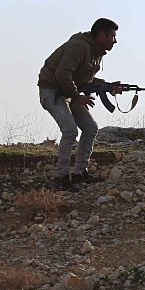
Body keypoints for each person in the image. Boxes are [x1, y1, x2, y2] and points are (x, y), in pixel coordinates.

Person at [37, 18, 121, 191]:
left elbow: (84, 78)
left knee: (90, 128)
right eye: (112, 36)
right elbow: (62, 73)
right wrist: (76, 97)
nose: (115, 41)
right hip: (52, 91)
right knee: (70, 131)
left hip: (67, 92)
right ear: (101, 35)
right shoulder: (79, 46)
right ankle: (61, 178)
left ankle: (79, 173)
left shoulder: (95, 53)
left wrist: (107, 86)